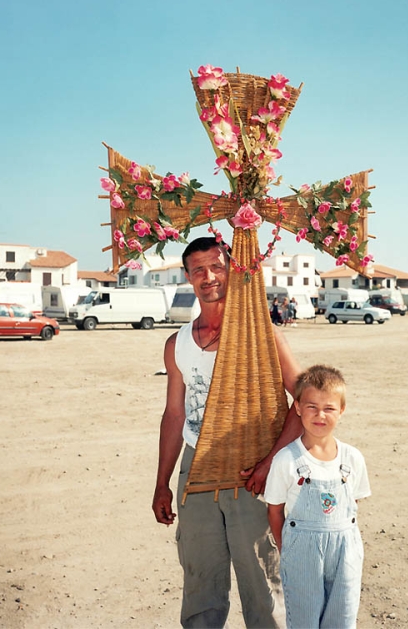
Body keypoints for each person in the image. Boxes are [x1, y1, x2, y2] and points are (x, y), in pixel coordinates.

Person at [152, 236, 302, 628]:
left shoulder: (263, 336)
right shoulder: (177, 344)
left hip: (252, 471)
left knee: (262, 583)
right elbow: (173, 414)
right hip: (195, 471)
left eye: (217, 266)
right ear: (187, 276)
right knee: (200, 581)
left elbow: (307, 399)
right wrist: (163, 483)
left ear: (233, 272)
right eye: (198, 269)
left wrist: (271, 463)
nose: (209, 276)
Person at [264, 365, 371, 629]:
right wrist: (287, 548)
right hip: (302, 554)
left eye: (329, 408)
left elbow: (352, 505)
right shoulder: (286, 459)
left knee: (342, 620)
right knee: (304, 622)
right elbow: (275, 510)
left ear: (342, 410)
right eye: (311, 406)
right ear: (298, 407)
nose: (320, 415)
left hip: (345, 552)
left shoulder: (352, 458)